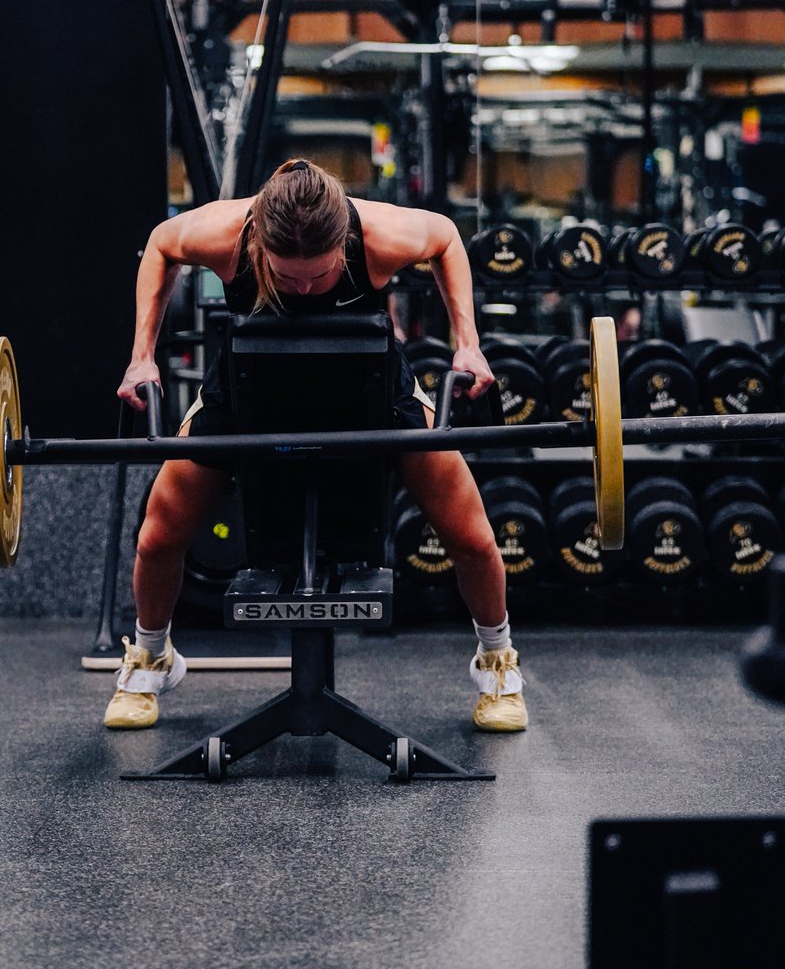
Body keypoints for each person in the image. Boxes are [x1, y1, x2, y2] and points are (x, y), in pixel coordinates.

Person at [105, 158, 528, 734]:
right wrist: (141, 355)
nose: (303, 287)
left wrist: (469, 345)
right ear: (259, 248)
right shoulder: (227, 234)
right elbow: (160, 244)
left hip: (369, 385)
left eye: (319, 276)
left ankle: (497, 660)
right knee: (158, 533)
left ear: (345, 243)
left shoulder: (377, 235)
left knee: (471, 534)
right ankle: (151, 657)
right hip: (248, 386)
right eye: (287, 277)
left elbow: (447, 238)